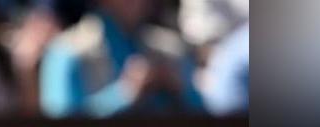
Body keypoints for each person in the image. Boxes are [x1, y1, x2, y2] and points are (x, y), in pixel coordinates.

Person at [39, 0, 204, 117]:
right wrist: (123, 95)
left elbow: (207, 119)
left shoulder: (170, 51)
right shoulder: (67, 52)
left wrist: (178, 89)